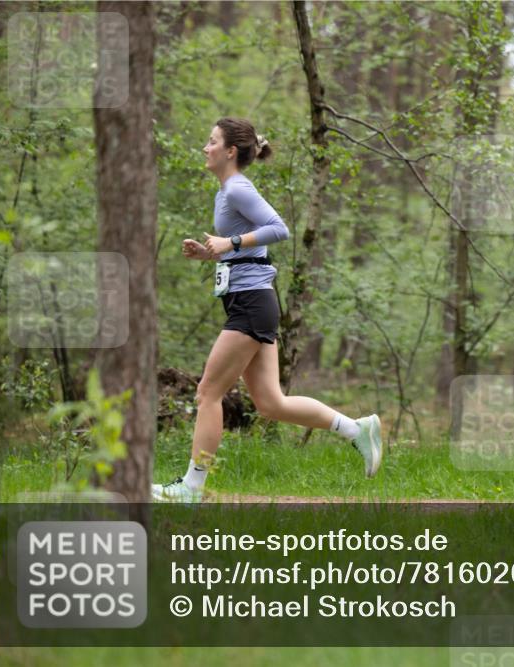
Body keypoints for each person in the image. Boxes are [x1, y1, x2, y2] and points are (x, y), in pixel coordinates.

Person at [152, 117, 382, 502]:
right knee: (271, 403)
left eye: (211, 142)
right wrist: (211, 254)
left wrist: (231, 242)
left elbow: (279, 229)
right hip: (253, 302)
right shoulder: (227, 191)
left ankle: (191, 488)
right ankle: (356, 430)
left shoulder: (238, 188)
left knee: (208, 392)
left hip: (252, 306)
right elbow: (248, 251)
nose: (205, 148)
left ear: (229, 151)